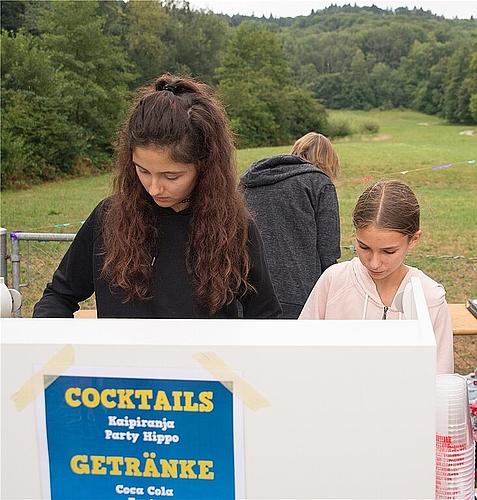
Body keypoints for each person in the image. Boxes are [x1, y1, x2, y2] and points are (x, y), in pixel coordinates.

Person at [33, 74, 281, 319]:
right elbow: (58, 297)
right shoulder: (108, 217)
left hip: (201, 360)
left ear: (205, 167)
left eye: (171, 176)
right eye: (142, 171)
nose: (154, 188)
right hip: (122, 360)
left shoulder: (233, 227)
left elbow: (265, 316)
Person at [299, 180, 454, 374]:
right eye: (364, 247)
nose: (374, 263)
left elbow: (440, 377)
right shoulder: (333, 282)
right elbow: (300, 356)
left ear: (414, 239)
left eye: (389, 251)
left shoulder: (430, 298)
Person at [240, 132, 341, 318]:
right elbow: (328, 251)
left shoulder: (249, 182)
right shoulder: (319, 183)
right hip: (300, 296)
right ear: (329, 161)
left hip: (247, 295)